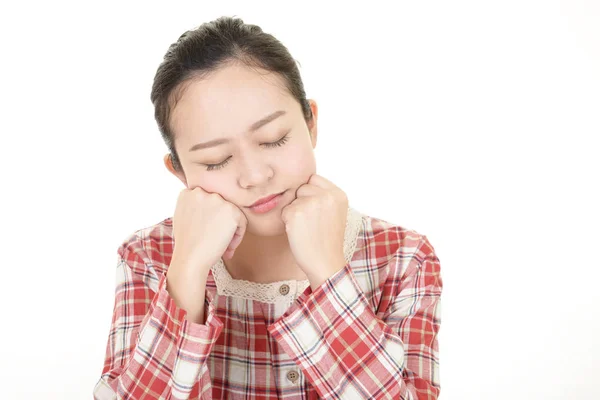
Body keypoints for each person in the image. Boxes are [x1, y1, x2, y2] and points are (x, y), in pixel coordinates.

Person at [93, 16, 443, 400]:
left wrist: (328, 273)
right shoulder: (149, 256)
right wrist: (187, 271)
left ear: (311, 124)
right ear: (179, 172)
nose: (255, 176)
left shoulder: (402, 257)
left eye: (274, 139)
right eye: (215, 160)